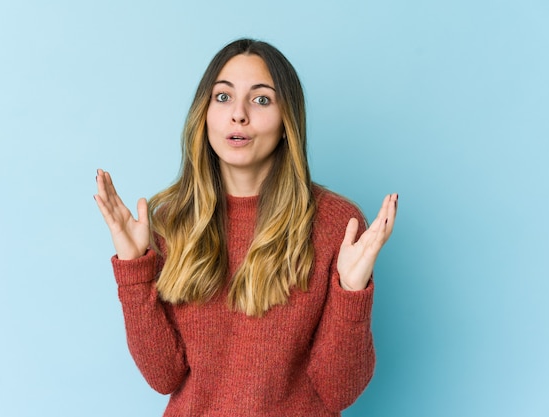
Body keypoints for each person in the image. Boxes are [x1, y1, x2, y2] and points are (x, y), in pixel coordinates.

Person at [94, 38, 398, 416]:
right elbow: (163, 377)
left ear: (288, 121)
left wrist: (352, 292)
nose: (238, 115)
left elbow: (339, 391)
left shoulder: (336, 224)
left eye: (261, 99)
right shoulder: (170, 222)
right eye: (223, 97)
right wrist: (134, 268)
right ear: (203, 114)